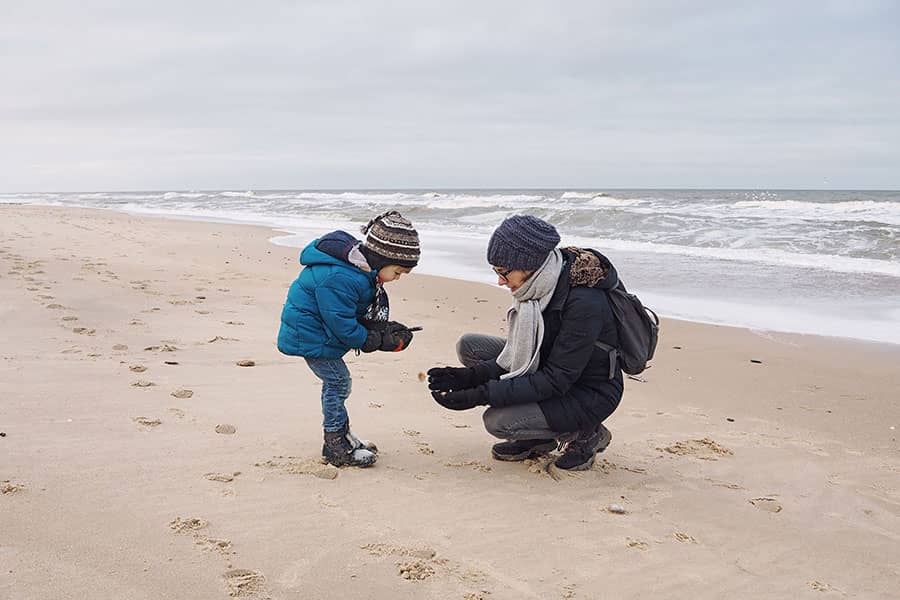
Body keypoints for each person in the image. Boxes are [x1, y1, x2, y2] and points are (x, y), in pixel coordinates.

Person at [428, 215, 623, 471]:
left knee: (498, 421)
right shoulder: (538, 286)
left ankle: (586, 433)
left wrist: (480, 394)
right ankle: (539, 438)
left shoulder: (584, 303)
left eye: (503, 272)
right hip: (547, 367)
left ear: (529, 264)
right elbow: (519, 355)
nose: (499, 280)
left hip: (588, 391)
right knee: (471, 347)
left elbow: (556, 379)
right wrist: (466, 377)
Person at [278, 210, 420, 468]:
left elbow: (351, 312)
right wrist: (373, 340)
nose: (397, 279)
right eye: (398, 272)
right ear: (382, 258)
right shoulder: (341, 277)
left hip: (320, 333)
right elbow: (341, 324)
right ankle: (334, 444)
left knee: (338, 384)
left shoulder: (359, 273)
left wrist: (383, 329)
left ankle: (341, 435)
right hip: (311, 336)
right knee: (338, 382)